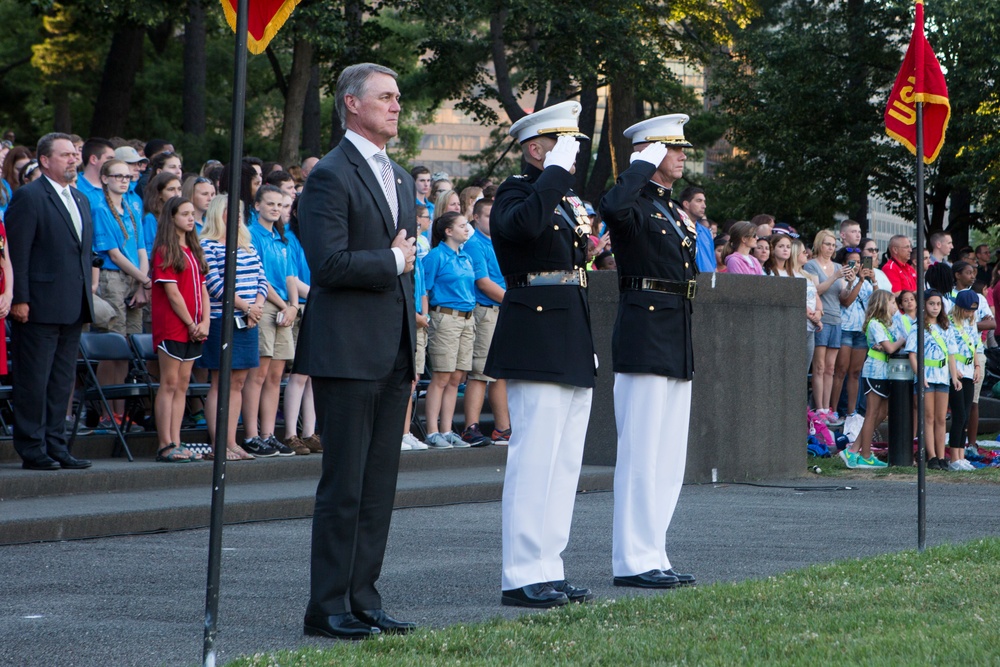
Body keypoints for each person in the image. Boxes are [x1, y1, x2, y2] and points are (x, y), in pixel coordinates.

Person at [295, 63, 418, 639]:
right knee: (344, 485)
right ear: (351, 103)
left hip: (392, 349)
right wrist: (392, 261)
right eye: (385, 97)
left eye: (398, 97)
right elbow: (329, 264)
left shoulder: (399, 174)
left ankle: (364, 595)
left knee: (378, 487)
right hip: (346, 350)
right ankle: (327, 606)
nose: (396, 106)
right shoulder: (330, 175)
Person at [485, 100, 596, 609]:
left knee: (565, 461)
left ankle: (549, 566)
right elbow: (523, 229)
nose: (571, 157)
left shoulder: (562, 195)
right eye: (562, 146)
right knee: (534, 457)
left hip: (570, 327)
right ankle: (521, 572)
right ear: (536, 148)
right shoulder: (517, 190)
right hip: (535, 328)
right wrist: (552, 173)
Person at [600, 113, 699, 590]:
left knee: (668, 456)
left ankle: (654, 551)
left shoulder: (670, 207)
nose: (681, 155)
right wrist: (639, 164)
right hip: (644, 330)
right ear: (651, 152)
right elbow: (613, 209)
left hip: (676, 332)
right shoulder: (634, 200)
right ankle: (632, 559)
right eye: (671, 148)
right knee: (641, 453)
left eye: (680, 148)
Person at [6, 133, 95, 470]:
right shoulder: (29, 197)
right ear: (45, 160)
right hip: (38, 305)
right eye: (66, 154)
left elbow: (81, 253)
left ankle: (57, 445)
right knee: (34, 380)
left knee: (61, 381)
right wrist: (21, 298)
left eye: (75, 153)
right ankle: (32, 447)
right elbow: (18, 252)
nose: (74, 159)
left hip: (73, 304)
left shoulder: (80, 199)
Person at [198, 196, 268, 461]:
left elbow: (262, 279)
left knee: (238, 382)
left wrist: (257, 307)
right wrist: (246, 307)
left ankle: (232, 442)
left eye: (239, 212)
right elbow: (214, 285)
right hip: (221, 320)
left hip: (249, 319)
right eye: (232, 211)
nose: (238, 216)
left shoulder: (246, 245)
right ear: (218, 213)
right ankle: (219, 444)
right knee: (221, 381)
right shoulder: (208, 245)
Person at [91, 159, 150, 431]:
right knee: (111, 344)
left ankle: (122, 412)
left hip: (135, 278)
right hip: (112, 276)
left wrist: (142, 285)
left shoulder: (132, 206)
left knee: (128, 347)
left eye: (128, 176)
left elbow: (140, 248)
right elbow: (113, 253)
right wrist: (146, 279)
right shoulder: (101, 208)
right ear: (105, 178)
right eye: (118, 176)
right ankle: (106, 413)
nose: (125, 181)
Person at [150, 197, 209, 462]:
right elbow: (173, 294)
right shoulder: (165, 249)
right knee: (170, 382)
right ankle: (165, 443)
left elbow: (204, 288)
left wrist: (204, 321)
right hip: (174, 325)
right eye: (184, 214)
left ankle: (177, 440)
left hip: (195, 325)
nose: (190, 218)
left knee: (183, 384)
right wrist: (190, 323)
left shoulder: (194, 249)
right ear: (171, 217)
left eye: (191, 214)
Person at [243, 185, 298, 457]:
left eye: (280, 204)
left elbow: (290, 277)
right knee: (259, 374)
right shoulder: (252, 234)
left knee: (276, 375)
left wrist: (294, 306)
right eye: (270, 204)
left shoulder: (280, 236)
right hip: (264, 305)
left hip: (284, 308)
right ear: (257, 206)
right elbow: (259, 276)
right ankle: (252, 435)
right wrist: (284, 305)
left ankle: (268, 434)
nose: (276, 209)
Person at [422, 211, 476, 449]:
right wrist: (426, 315)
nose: (467, 229)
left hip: (467, 319)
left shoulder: (465, 256)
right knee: (442, 376)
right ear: (448, 231)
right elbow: (424, 288)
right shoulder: (436, 256)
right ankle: (432, 431)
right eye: (462, 225)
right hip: (445, 317)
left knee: (456, 377)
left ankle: (446, 429)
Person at [461, 198, 511, 446]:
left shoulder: (500, 242)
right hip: (486, 311)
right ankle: (471, 427)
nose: (494, 220)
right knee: (480, 372)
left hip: (502, 310)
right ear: (476, 219)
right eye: (488, 215)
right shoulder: (475, 244)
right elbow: (483, 282)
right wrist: (515, 301)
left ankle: (503, 429)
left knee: (499, 373)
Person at [839, 290, 898, 469]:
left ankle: (853, 449)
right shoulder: (874, 324)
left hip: (884, 372)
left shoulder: (888, 324)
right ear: (883, 305)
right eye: (893, 302)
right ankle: (864, 454)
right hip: (875, 371)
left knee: (881, 413)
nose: (896, 306)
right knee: (872, 412)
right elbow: (890, 348)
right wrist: (902, 340)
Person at [905, 291, 960, 471]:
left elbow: (951, 354)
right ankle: (931, 456)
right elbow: (912, 355)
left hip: (942, 377)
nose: (935, 308)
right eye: (931, 304)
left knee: (940, 418)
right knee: (927, 417)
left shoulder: (946, 326)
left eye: (938, 304)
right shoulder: (918, 326)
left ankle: (941, 455)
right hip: (926, 377)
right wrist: (920, 376)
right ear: (924, 305)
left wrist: (954, 376)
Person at [803, 230, 847, 424]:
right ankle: (819, 408)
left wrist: (853, 281)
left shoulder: (837, 266)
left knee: (831, 368)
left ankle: (827, 407)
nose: (830, 248)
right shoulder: (811, 265)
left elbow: (843, 297)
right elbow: (816, 290)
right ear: (819, 244)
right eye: (827, 244)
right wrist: (835, 276)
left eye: (833, 245)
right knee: (819, 366)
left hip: (836, 318)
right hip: (820, 318)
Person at [830, 246, 872, 435]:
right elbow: (846, 301)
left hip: (861, 331)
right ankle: (832, 410)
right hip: (845, 329)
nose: (855, 265)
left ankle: (851, 412)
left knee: (855, 373)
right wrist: (858, 281)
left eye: (858, 262)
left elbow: (873, 304)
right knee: (840, 371)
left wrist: (872, 281)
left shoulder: (868, 283)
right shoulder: (841, 280)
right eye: (851, 262)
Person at [945, 290, 981, 470]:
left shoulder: (971, 322)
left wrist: (977, 366)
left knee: (966, 415)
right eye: (968, 310)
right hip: (956, 371)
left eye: (973, 311)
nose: (970, 314)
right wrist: (955, 370)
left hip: (968, 370)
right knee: (959, 414)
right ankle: (954, 457)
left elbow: (974, 346)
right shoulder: (950, 323)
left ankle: (961, 454)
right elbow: (948, 348)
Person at [679, 186, 714, 273]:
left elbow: (713, 264)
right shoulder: (677, 229)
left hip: (708, 282)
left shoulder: (706, 232)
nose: (704, 206)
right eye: (699, 201)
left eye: (704, 202)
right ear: (686, 204)